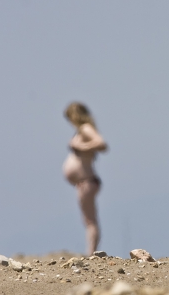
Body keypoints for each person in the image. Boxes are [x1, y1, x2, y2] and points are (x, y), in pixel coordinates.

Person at [62, 102, 108, 256]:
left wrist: (81, 147)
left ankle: (91, 253)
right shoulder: (81, 131)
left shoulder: (85, 128)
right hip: (82, 183)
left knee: (90, 221)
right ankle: (91, 252)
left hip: (87, 181)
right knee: (88, 220)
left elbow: (101, 143)